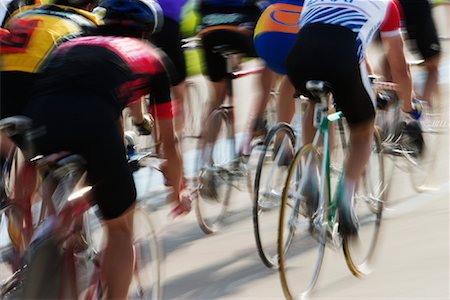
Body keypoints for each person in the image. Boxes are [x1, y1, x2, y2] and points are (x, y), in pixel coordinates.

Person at [23, 0, 189, 297]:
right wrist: (177, 188)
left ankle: (53, 231)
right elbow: (169, 139)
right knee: (120, 229)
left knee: (64, 178)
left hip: (40, 114)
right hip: (93, 118)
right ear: (147, 32)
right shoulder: (152, 57)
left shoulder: (72, 43)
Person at [285, 0, 421, 236]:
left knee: (315, 102)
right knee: (362, 129)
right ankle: (346, 199)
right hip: (342, 55)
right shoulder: (387, 5)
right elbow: (400, 68)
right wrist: (410, 109)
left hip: (300, 56)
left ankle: (309, 173)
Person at [197, 0, 277, 154]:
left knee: (216, 99)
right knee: (269, 62)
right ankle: (258, 121)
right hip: (240, 29)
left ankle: (203, 159)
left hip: (209, 31)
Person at [150, 0, 188, 136]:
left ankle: (154, 132)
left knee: (153, 73)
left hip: (150, 22)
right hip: (170, 25)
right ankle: (179, 125)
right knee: (179, 76)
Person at [397, 0, 441, 106]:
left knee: (397, 60)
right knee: (433, 65)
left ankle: (417, 101)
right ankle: (421, 105)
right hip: (418, 14)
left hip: (405, 12)